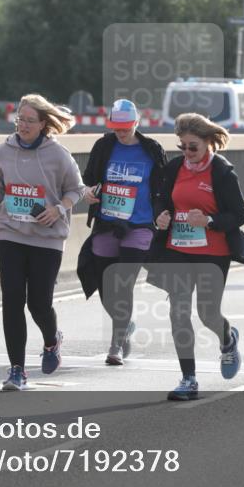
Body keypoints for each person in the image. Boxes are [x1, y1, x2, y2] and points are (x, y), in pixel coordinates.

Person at [0, 94, 84, 391]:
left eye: (29, 121)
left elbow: (76, 190)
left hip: (46, 239)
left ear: (43, 124)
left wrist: (58, 209)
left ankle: (52, 341)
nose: (22, 125)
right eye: (19, 119)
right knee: (12, 300)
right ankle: (17, 371)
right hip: (11, 233)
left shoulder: (58, 155)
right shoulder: (4, 151)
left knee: (38, 304)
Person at [150, 113, 244, 401]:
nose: (186, 153)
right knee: (178, 313)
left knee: (207, 314)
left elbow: (240, 215)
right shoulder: (174, 168)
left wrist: (208, 221)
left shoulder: (221, 172)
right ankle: (188, 378)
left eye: (192, 146)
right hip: (178, 250)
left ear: (209, 143)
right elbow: (160, 198)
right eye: (181, 146)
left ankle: (227, 339)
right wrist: (161, 215)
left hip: (213, 253)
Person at [79, 99, 167, 365]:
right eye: (116, 127)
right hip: (107, 223)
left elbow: (163, 185)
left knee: (123, 283)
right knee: (106, 286)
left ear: (136, 123)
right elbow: (88, 179)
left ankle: (115, 344)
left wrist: (163, 212)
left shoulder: (152, 149)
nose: (121, 132)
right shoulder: (104, 146)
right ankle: (125, 324)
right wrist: (90, 192)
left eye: (125, 127)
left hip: (140, 226)